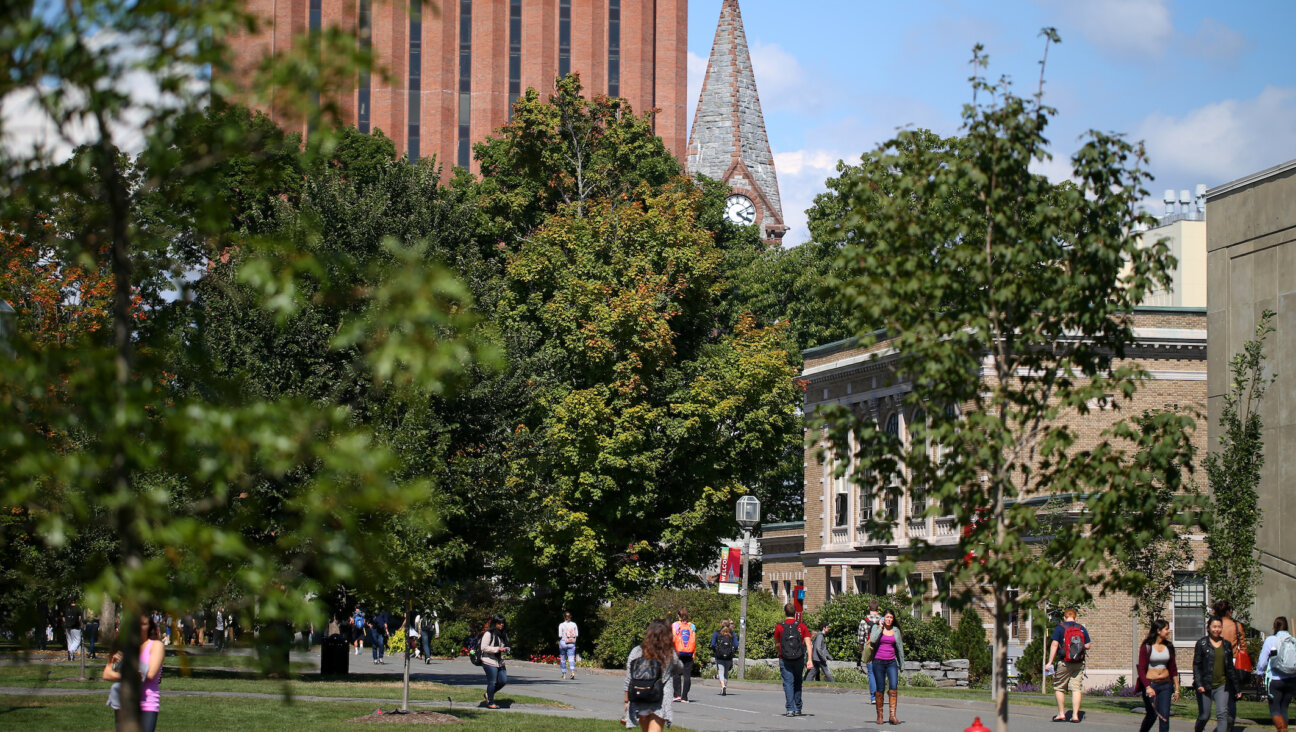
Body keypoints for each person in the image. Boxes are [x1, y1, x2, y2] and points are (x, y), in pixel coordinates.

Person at [103, 613, 166, 732]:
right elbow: (106, 674)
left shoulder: (156, 646)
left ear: (149, 626)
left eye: (144, 624)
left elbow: (151, 674)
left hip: (147, 703)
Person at [624, 619, 685, 732]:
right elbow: (680, 668)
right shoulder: (669, 654)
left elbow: (628, 679)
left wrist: (626, 701)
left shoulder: (636, 651)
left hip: (639, 697)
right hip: (659, 701)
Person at [1194, 616, 1243, 732]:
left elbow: (1230, 668)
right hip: (1205, 685)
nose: (1217, 629)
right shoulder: (1202, 643)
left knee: (1222, 714)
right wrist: (1199, 683)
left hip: (1222, 685)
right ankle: (1198, 729)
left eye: (1219, 627)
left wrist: (1237, 689)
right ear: (1208, 628)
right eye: (1214, 627)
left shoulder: (1226, 645)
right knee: (1204, 715)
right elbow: (1197, 665)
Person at [1046, 607, 1092, 723]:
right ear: (1075, 618)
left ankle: (1061, 714)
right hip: (1078, 662)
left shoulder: (1059, 628)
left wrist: (1049, 662)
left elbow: (1054, 645)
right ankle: (1075, 716)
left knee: (1059, 687)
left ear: (1064, 617)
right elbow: (1088, 645)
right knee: (1076, 688)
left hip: (1064, 662)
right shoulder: (1081, 628)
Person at [1137, 619, 1181, 732]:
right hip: (1151, 684)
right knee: (1152, 715)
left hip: (1166, 684)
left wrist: (1177, 688)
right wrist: (1147, 687)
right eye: (1166, 629)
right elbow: (1141, 669)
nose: (1169, 631)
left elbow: (1173, 668)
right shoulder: (1146, 646)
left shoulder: (1169, 646)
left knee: (1164, 716)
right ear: (1158, 631)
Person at [1255, 616, 1295, 732]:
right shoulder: (1292, 640)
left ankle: (1282, 730)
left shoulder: (1271, 640)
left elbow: (1262, 661)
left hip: (1275, 679)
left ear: (1274, 626)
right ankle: (1283, 729)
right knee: (1284, 708)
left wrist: (1259, 674)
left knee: (1275, 708)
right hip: (1291, 679)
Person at [774, 602, 813, 718]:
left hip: (784, 658)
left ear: (785, 612)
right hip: (799, 658)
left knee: (788, 683)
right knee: (798, 682)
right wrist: (809, 659)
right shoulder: (801, 626)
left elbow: (776, 643)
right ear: (795, 613)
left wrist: (781, 651)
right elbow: (808, 643)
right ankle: (798, 707)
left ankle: (790, 708)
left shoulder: (779, 627)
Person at [1214, 600, 1249, 726]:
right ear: (1229, 611)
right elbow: (1243, 646)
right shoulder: (1236, 625)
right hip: (1233, 661)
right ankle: (1229, 719)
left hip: (1217, 660)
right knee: (1232, 692)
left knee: (1219, 690)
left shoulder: (1215, 625)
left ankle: (1222, 718)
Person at [870, 609, 905, 725]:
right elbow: (873, 640)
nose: (889, 619)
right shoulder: (876, 628)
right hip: (878, 662)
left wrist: (901, 663)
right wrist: (880, 627)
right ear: (883, 619)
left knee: (893, 687)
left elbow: (900, 647)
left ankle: (892, 716)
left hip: (891, 662)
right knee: (880, 688)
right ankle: (880, 715)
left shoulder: (896, 631)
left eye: (891, 617)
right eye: (887, 617)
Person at [480, 615, 511, 709]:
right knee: (492, 682)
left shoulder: (503, 634)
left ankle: (488, 694)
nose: (501, 625)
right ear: (495, 623)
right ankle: (491, 702)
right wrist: (498, 649)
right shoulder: (489, 633)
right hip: (489, 661)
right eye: (499, 623)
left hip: (500, 661)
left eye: (503, 623)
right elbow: (484, 647)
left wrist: (506, 649)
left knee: (503, 681)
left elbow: (506, 645)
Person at [857, 598, 883, 703]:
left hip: (869, 647)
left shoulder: (864, 621)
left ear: (868, 608)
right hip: (881, 648)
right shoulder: (882, 620)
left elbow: (860, 638)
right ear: (878, 608)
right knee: (880, 672)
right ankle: (880, 694)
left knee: (871, 672)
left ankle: (873, 696)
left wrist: (862, 650)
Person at [670, 608, 697, 702]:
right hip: (689, 653)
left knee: (676, 673)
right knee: (687, 675)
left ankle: (677, 694)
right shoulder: (692, 626)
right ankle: (684, 697)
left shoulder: (675, 625)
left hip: (678, 652)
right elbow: (694, 640)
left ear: (679, 616)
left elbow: (673, 639)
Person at [710, 618, 737, 696]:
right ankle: (724, 686)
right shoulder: (732, 634)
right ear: (729, 624)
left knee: (721, 671)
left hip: (719, 656)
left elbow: (712, 644)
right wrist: (732, 651)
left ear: (721, 624)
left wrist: (716, 651)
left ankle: (723, 686)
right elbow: (736, 645)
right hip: (729, 656)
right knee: (725, 673)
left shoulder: (717, 633)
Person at [558, 611, 579, 680]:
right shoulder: (574, 624)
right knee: (571, 658)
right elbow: (576, 634)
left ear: (564, 617)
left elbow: (560, 635)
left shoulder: (561, 625)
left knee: (563, 658)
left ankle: (564, 674)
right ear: (570, 616)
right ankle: (572, 672)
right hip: (572, 643)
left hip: (563, 642)